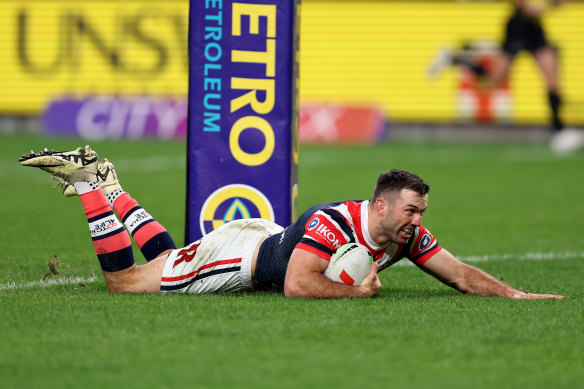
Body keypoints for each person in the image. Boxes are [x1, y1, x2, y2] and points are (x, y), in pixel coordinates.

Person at [19, 146, 564, 299]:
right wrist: (356, 296)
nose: (418, 221)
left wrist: (515, 295)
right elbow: (298, 285)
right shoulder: (335, 223)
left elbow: (460, 272)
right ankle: (92, 185)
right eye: (411, 210)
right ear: (379, 206)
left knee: (166, 260)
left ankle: (112, 185)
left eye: (421, 211)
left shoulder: (404, 234)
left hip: (262, 236)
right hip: (240, 259)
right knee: (123, 282)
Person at [428, 0, 584, 152]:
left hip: (536, 28)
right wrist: (527, 6)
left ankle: (559, 132)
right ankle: (455, 58)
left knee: (552, 80)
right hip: (518, 25)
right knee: (493, 80)